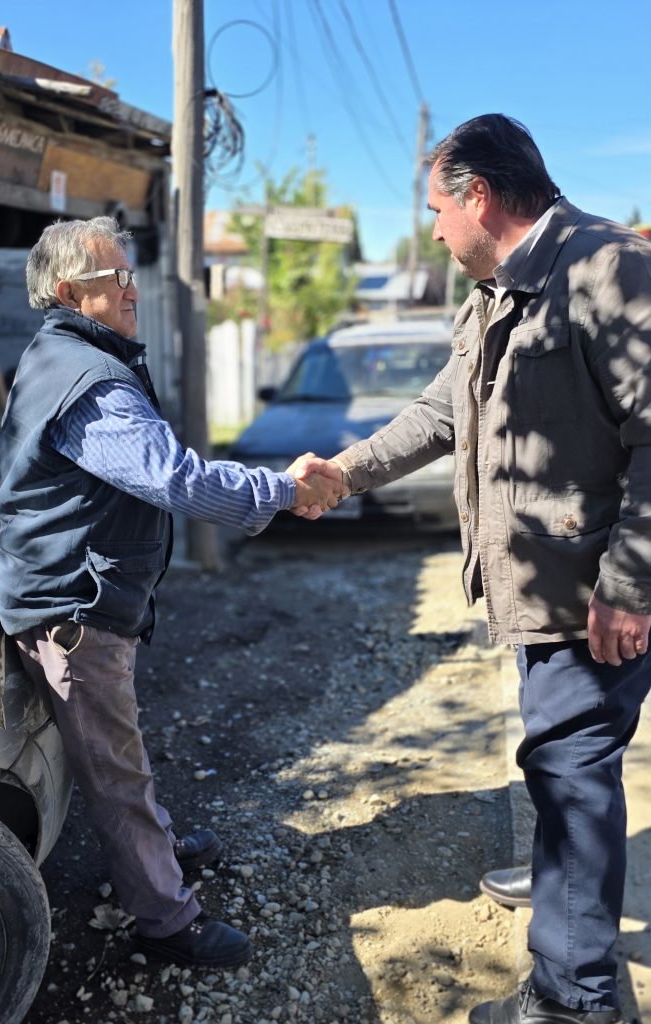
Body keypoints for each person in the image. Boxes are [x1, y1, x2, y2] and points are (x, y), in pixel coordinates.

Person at [295, 114, 651, 1023]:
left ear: (479, 197)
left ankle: (575, 998)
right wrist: (344, 473)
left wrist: (629, 584)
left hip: (592, 596)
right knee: (558, 768)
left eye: (435, 212)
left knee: (572, 778)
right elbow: (438, 414)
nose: (434, 232)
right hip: (543, 591)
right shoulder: (495, 295)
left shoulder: (608, 269)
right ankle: (563, 895)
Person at [0, 216, 342, 969]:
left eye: (130, 274)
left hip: (72, 594)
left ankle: (158, 848)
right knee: (113, 769)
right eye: (116, 278)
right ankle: (165, 918)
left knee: (116, 746)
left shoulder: (65, 355)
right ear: (69, 293)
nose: (132, 290)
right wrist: (284, 489)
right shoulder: (89, 383)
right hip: (72, 608)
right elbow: (174, 479)